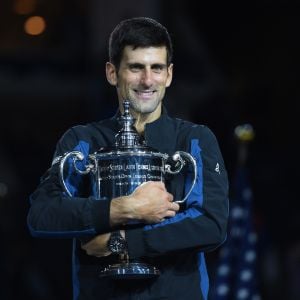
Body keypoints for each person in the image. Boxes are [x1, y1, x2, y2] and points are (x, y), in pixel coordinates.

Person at [27, 17, 229, 300]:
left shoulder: (195, 138)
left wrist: (121, 242)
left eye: (156, 68)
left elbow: (211, 224)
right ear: (112, 73)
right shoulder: (82, 140)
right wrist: (125, 208)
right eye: (136, 67)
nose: (147, 80)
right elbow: (43, 214)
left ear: (168, 75)